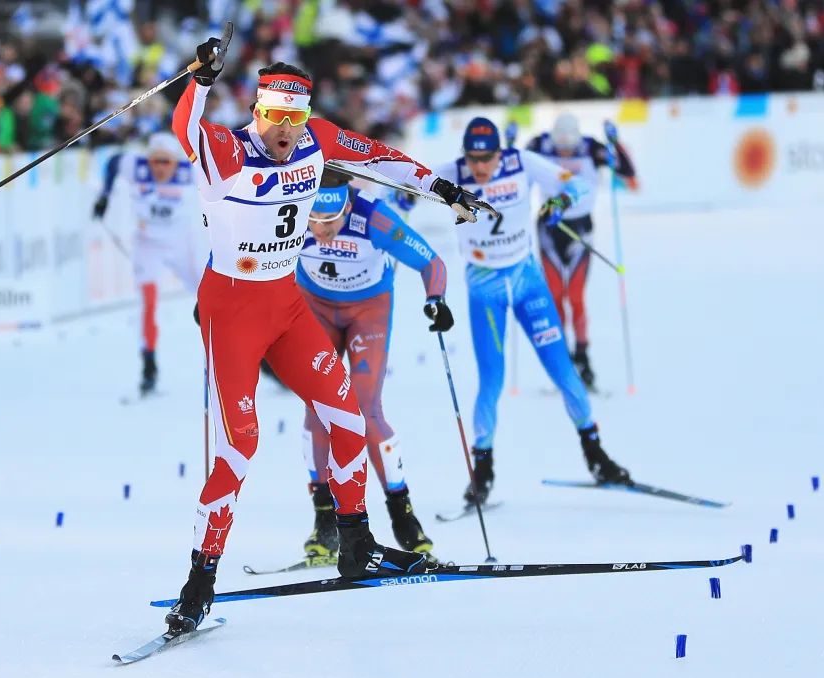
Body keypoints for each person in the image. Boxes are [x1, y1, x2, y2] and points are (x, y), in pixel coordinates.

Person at [166, 36, 490, 634]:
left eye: (296, 115)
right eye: (275, 116)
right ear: (257, 111)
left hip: (287, 303)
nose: (286, 129)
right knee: (240, 446)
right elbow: (184, 128)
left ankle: (355, 541)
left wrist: (444, 192)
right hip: (232, 309)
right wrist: (201, 79)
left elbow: (380, 157)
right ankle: (200, 581)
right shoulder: (227, 151)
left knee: (347, 418)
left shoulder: (317, 140)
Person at [432, 117, 632, 509]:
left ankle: (597, 457)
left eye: (487, 159)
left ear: (499, 153)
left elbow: (576, 184)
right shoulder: (450, 174)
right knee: (492, 380)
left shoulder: (522, 161)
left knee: (564, 373)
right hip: (484, 288)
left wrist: (560, 201)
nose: (479, 169)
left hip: (527, 281)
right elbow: (402, 187)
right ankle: (483, 472)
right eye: (473, 159)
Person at [297, 173, 451, 562]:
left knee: (365, 410)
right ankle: (325, 519)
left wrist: (437, 299)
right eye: (312, 220)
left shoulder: (373, 217)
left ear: (347, 206)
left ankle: (402, 514)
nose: (321, 230)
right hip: (314, 309)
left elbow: (430, 262)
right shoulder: (290, 208)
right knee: (319, 410)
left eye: (330, 221)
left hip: (369, 311)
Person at [526, 113, 637, 388]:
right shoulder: (540, 145)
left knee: (575, 296)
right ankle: (562, 360)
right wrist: (508, 142)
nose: (565, 151)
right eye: (560, 146)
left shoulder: (591, 147)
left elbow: (626, 171)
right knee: (554, 296)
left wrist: (615, 143)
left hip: (580, 229)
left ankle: (583, 357)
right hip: (549, 228)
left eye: (569, 146)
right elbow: (512, 162)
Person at [92, 131, 206, 395]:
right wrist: (104, 196)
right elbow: (113, 162)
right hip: (148, 244)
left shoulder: (190, 170)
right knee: (148, 303)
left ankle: (252, 357)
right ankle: (149, 363)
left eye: (167, 162)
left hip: (181, 245)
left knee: (210, 297)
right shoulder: (137, 167)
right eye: (156, 161)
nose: (161, 168)